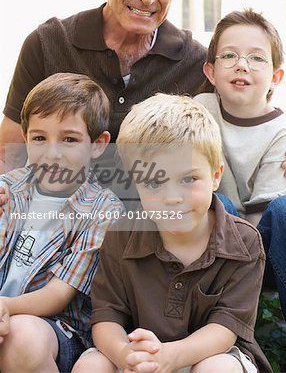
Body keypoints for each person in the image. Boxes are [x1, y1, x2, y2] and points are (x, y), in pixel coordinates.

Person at [0, 0, 286, 181]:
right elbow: (9, 155)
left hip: (157, 225)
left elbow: (252, 115)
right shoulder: (47, 43)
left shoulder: (197, 63)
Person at [72, 94, 272, 373]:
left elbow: (226, 326)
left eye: (188, 179)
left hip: (211, 354)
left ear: (216, 175)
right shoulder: (122, 234)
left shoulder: (244, 242)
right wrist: (124, 354)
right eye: (154, 182)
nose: (173, 198)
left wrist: (171, 357)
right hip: (138, 351)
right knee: (92, 366)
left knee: (218, 369)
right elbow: (107, 315)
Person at [0, 73, 124, 373]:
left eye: (69, 139)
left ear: (98, 145)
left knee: (20, 337)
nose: (52, 153)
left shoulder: (102, 209)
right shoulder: (9, 189)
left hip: (55, 329)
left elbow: (57, 296)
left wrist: (4, 308)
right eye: (40, 138)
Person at [194, 9, 286, 354]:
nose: (242, 65)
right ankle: (201, 332)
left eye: (257, 58)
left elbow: (261, 217)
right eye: (229, 56)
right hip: (208, 245)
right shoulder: (200, 109)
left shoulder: (281, 131)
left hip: (266, 246)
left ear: (275, 77)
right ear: (210, 71)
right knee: (213, 202)